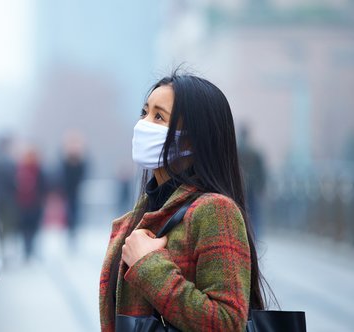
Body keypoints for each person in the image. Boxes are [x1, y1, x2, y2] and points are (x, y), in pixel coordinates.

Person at [99, 73, 269, 332]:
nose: (143, 124)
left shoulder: (215, 211)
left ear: (192, 138)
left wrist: (149, 266)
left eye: (158, 116)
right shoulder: (140, 215)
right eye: (144, 113)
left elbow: (228, 322)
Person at [16, 146, 46, 261]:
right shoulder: (21, 169)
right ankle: (28, 250)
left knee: (31, 228)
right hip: (26, 204)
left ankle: (29, 249)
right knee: (27, 228)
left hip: (33, 203)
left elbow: (43, 185)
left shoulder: (37, 170)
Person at [60, 131, 87, 246]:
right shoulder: (64, 160)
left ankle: (73, 234)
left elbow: (83, 174)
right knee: (68, 214)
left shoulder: (81, 161)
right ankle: (70, 234)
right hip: (67, 192)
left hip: (76, 191)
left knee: (75, 214)